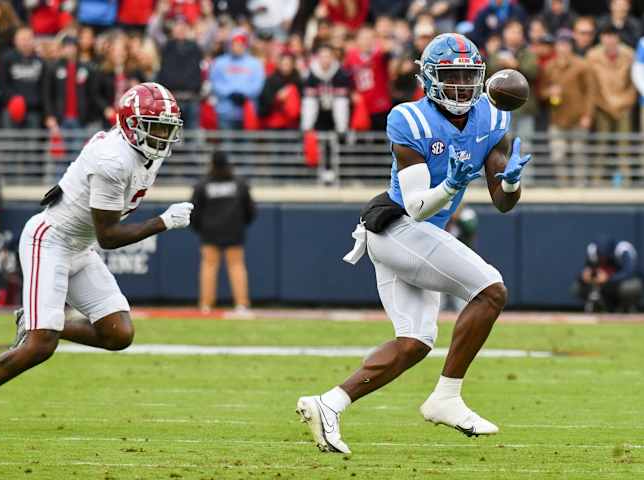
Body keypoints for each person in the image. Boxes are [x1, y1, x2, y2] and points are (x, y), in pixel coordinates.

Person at [297, 33, 531, 453]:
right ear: (429, 78)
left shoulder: (494, 118)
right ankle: (447, 396)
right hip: (398, 227)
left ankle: (328, 404)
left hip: (418, 236)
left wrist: (511, 181)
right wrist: (453, 185)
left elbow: (503, 202)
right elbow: (419, 206)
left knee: (414, 343)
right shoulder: (409, 118)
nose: (461, 87)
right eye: (451, 76)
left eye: (468, 77)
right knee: (491, 289)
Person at [0, 82, 193, 431]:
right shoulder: (113, 161)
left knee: (118, 334)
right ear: (130, 125)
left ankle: (41, 325)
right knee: (39, 346)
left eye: (168, 128)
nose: (164, 136)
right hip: (50, 241)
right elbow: (108, 236)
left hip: (78, 245)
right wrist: (162, 222)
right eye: (156, 127)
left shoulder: (138, 151)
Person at [190, 151, 256, 313]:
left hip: (209, 232)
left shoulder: (203, 185)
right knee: (236, 266)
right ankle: (241, 304)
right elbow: (250, 209)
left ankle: (206, 305)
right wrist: (241, 224)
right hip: (234, 231)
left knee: (209, 266)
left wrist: (200, 228)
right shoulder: (240, 184)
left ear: (211, 164)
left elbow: (194, 211)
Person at [540, 30, 593, 186]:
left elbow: (590, 93)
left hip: (578, 117)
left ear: (571, 46)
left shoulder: (582, 65)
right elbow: (541, 91)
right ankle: (563, 187)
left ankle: (580, 187)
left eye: (567, 44)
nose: (563, 47)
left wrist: (587, 116)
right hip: (557, 119)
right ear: (556, 46)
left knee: (579, 155)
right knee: (558, 155)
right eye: (560, 44)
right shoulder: (549, 66)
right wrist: (549, 92)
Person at [587, 24, 636, 186]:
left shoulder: (629, 54)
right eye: (606, 36)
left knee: (624, 147)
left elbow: (634, 83)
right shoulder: (592, 55)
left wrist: (624, 102)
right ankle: (596, 183)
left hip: (624, 107)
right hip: (602, 106)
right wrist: (605, 104)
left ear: (618, 38)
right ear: (601, 38)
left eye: (613, 36)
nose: (610, 40)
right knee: (601, 147)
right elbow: (591, 86)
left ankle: (627, 183)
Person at [209, 29, 265, 130]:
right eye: (235, 43)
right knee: (227, 145)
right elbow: (215, 83)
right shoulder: (219, 62)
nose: (237, 47)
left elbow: (257, 86)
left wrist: (243, 94)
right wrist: (230, 93)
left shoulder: (255, 64)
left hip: (247, 112)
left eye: (240, 44)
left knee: (247, 145)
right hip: (225, 111)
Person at [575, 237, 642, 312]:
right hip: (603, 287)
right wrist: (583, 275)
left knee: (630, 287)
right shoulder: (592, 251)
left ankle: (627, 307)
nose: (602, 259)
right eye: (600, 256)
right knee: (577, 287)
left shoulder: (623, 249)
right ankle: (600, 307)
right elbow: (585, 271)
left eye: (604, 256)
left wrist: (608, 278)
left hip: (619, 286)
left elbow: (629, 273)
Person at [0, 26, 45, 129]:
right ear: (15, 41)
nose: (25, 42)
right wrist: (13, 99)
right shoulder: (6, 59)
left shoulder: (40, 61)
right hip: (11, 109)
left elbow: (44, 87)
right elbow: (2, 84)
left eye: (28, 39)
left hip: (34, 111)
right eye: (22, 39)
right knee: (11, 143)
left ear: (33, 40)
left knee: (32, 144)